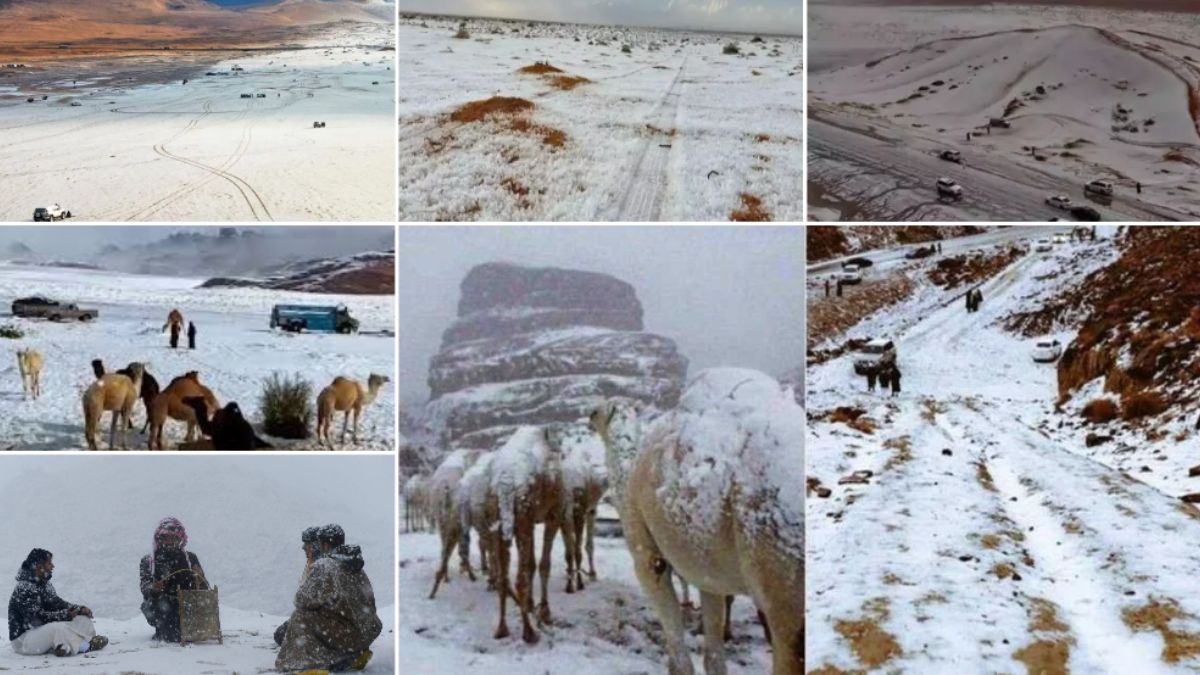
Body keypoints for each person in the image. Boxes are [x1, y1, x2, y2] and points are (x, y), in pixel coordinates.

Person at [276, 524, 382, 673]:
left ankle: (308, 666)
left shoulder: (325, 565)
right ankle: (354, 655)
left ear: (325, 545)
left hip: (348, 635)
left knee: (300, 617)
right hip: (367, 632)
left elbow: (301, 600)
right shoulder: (355, 565)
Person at [8, 549, 108, 657]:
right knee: (57, 628)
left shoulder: (44, 583)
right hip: (24, 640)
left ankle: (63, 646)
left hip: (42, 632)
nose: (53, 566)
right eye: (49, 563)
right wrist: (64, 615)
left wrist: (79, 609)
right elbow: (35, 619)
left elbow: (57, 603)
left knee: (83, 619)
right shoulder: (24, 588)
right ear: (39, 566)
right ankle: (85, 646)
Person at [139, 517, 209, 642]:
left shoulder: (190, 558)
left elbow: (203, 589)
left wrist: (200, 577)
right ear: (159, 539)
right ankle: (164, 630)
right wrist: (153, 588)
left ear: (180, 539)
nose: (169, 542)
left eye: (173, 538)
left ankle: (183, 628)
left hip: (186, 605)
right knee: (151, 605)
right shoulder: (148, 561)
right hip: (161, 607)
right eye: (165, 538)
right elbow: (144, 588)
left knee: (180, 633)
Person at [274, 526, 321, 647]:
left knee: (281, 635)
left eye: (307, 543)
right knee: (280, 634)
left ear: (316, 545)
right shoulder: (311, 563)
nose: (303, 547)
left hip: (317, 618)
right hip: (310, 615)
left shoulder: (320, 567)